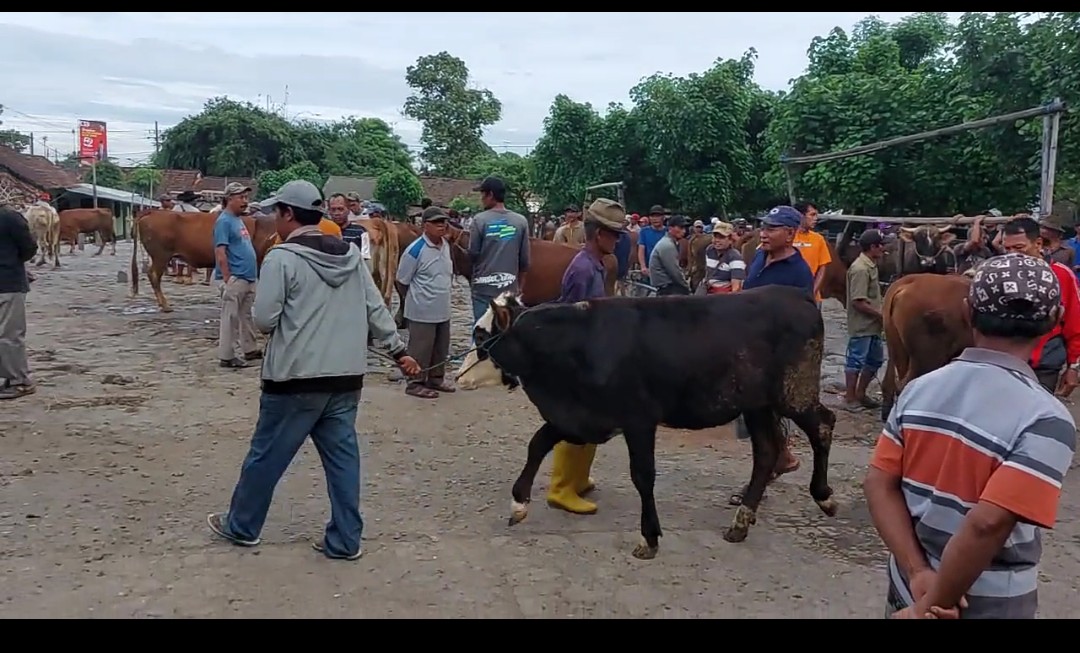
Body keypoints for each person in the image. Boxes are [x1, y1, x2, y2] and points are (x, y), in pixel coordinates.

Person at [207, 180, 420, 561]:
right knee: (343, 460)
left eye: (277, 212)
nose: (273, 218)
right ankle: (345, 540)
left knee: (266, 455)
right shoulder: (351, 256)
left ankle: (242, 525)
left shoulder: (281, 258)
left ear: (289, 214)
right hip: (345, 378)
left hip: (294, 379)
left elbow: (265, 320)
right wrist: (398, 350)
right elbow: (375, 308)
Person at [865, 252, 1075, 619]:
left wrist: (918, 575)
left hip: (908, 585)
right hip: (989, 600)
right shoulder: (1047, 418)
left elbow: (878, 484)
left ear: (966, 312)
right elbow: (987, 523)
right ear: (1054, 320)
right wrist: (935, 604)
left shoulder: (918, 389)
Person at [730, 205, 814, 506]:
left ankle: (766, 473)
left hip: (771, 359)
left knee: (761, 422)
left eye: (771, 228)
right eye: (763, 227)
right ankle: (781, 457)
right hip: (747, 351)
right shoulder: (760, 258)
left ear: (790, 234)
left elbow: (800, 322)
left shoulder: (797, 273)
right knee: (753, 420)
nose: (763, 233)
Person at [547, 198, 626, 515]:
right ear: (598, 235)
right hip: (579, 357)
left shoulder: (595, 266)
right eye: (614, 234)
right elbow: (574, 322)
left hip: (593, 355)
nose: (618, 240)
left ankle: (577, 479)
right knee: (575, 423)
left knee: (592, 421)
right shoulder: (582, 270)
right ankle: (560, 488)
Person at [999, 217, 1080, 396]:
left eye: (1019, 248)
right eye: (1007, 249)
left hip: (1044, 364)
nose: (1012, 254)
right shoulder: (997, 274)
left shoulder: (1061, 275)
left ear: (1038, 243)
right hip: (1001, 362)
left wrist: (1073, 366)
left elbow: (1075, 323)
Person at [397, 207, 455, 399]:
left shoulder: (445, 245)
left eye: (444, 222)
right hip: (422, 309)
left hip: (442, 307)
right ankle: (415, 383)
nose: (442, 226)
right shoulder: (415, 250)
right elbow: (402, 280)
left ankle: (436, 378)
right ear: (425, 226)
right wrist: (414, 300)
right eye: (437, 223)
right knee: (420, 349)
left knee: (440, 348)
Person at [467, 176, 530, 325]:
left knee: (481, 332)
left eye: (482, 194)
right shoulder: (520, 221)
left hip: (483, 289)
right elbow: (525, 261)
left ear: (490, 195)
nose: (481, 199)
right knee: (506, 335)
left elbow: (473, 254)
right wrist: (518, 287)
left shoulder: (479, 220)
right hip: (509, 292)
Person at [213, 182, 261, 369]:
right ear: (229, 199)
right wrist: (227, 278)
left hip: (247, 276)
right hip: (236, 277)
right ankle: (227, 355)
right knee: (230, 317)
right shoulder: (224, 221)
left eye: (246, 197)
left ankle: (249, 348)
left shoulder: (237, 219)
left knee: (246, 315)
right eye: (241, 197)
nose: (245, 201)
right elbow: (220, 251)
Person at [844, 229, 886, 410]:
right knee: (856, 360)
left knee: (875, 360)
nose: (883, 249)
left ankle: (861, 393)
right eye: (880, 245)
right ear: (872, 247)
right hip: (862, 325)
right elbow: (858, 302)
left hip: (873, 325)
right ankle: (850, 397)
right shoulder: (860, 269)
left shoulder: (870, 265)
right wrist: (882, 315)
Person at [0, 206, 38, 400]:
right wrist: (12, 263)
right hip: (8, 283)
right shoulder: (10, 217)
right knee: (9, 334)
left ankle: (11, 378)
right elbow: (29, 248)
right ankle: (18, 380)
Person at [792, 201, 832, 304]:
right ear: (801, 216)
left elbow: (822, 268)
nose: (816, 218)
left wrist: (813, 291)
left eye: (816, 215)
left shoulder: (818, 239)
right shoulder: (788, 236)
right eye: (812, 215)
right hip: (788, 295)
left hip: (812, 297)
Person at [697, 221, 745, 295]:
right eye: (715, 236)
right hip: (708, 292)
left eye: (721, 237)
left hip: (722, 296)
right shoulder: (709, 250)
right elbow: (707, 273)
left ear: (730, 240)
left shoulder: (735, 257)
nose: (717, 240)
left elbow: (736, 288)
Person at [648, 215, 690, 296]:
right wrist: (686, 286)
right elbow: (674, 271)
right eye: (681, 228)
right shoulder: (667, 245)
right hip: (668, 289)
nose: (684, 231)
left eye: (684, 228)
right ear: (670, 228)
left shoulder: (668, 242)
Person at [636, 205, 668, 277]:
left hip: (665, 270)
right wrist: (643, 266)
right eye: (652, 216)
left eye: (657, 216)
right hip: (649, 269)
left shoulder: (668, 232)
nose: (655, 219)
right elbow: (641, 249)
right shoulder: (644, 231)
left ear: (663, 217)